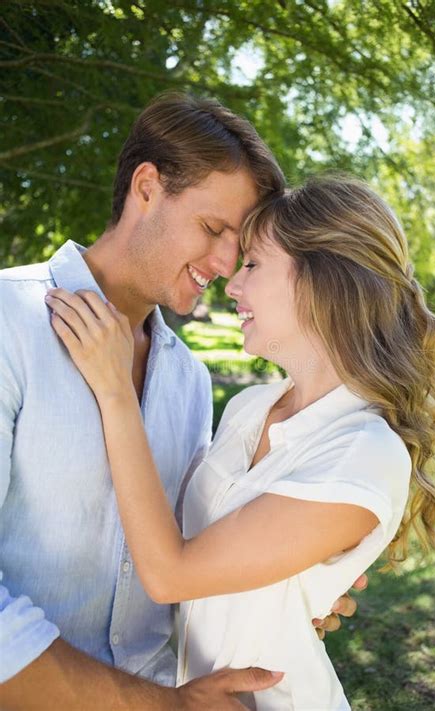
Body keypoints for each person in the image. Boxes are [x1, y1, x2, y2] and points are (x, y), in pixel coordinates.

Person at [0, 94, 364, 711]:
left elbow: (193, 553)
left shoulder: (190, 382)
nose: (226, 264)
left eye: (240, 243)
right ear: (147, 188)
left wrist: (285, 578)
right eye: (213, 228)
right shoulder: (10, 324)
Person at [45, 175, 435, 709]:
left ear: (322, 283)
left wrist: (114, 388)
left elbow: (173, 573)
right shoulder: (249, 408)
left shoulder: (366, 453)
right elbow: (182, 536)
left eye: (253, 265)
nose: (232, 285)